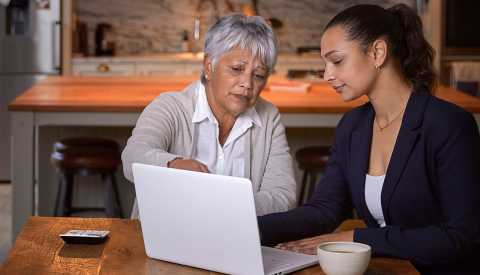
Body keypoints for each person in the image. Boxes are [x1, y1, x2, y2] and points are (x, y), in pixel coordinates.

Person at [258, 4, 480, 274]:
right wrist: (248, 229)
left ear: (377, 52)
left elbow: (462, 236)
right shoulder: (353, 126)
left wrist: (357, 238)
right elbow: (324, 210)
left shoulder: (448, 125)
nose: (327, 75)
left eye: (337, 61)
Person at [122, 13, 296, 218]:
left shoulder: (269, 117)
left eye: (258, 75)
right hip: (164, 240)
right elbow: (133, 156)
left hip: (236, 241)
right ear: (208, 66)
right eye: (236, 69)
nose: (247, 84)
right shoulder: (170, 106)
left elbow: (283, 196)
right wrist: (173, 165)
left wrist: (222, 205)